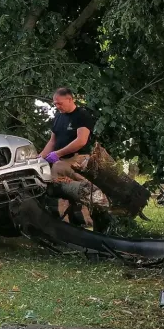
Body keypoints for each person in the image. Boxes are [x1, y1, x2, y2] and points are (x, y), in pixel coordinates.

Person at [39, 87, 105, 227]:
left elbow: (81, 141)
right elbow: (52, 141)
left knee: (59, 171)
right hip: (60, 160)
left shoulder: (81, 115)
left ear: (70, 99)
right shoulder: (58, 117)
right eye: (55, 104)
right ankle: (63, 220)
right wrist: (39, 158)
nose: (57, 106)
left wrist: (58, 154)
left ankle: (86, 215)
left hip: (78, 158)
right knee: (49, 176)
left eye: (59, 103)